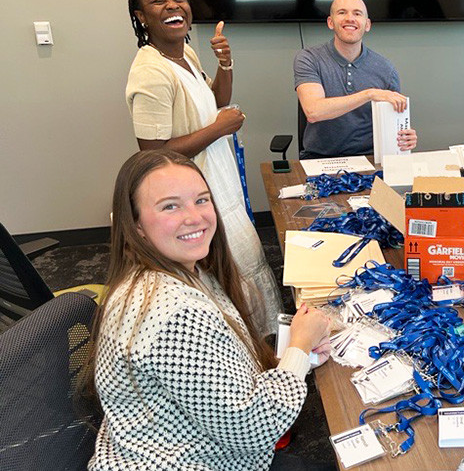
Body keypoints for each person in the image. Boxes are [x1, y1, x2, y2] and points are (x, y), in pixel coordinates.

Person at [86, 150, 333, 470]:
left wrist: (299, 359)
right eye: (170, 206)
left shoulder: (179, 272)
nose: (195, 216)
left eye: (201, 200)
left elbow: (221, 376)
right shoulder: (174, 315)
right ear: (136, 225)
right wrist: (298, 347)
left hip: (190, 443)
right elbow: (257, 428)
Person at [124, 0, 281, 336]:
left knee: (243, 263)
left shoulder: (186, 54)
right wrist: (218, 129)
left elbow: (216, 102)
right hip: (190, 197)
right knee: (222, 274)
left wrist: (225, 64)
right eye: (158, 1)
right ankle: (236, 348)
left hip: (217, 183)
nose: (173, 6)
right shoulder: (149, 72)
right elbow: (150, 155)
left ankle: (257, 341)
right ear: (140, 16)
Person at [293, 0, 418, 158]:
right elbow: (314, 111)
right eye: (342, 12)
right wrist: (369, 94)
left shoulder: (386, 69)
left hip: (371, 158)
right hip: (319, 159)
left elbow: (394, 124)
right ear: (330, 22)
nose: (350, 18)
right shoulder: (309, 58)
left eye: (357, 13)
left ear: (367, 25)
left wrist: (405, 138)